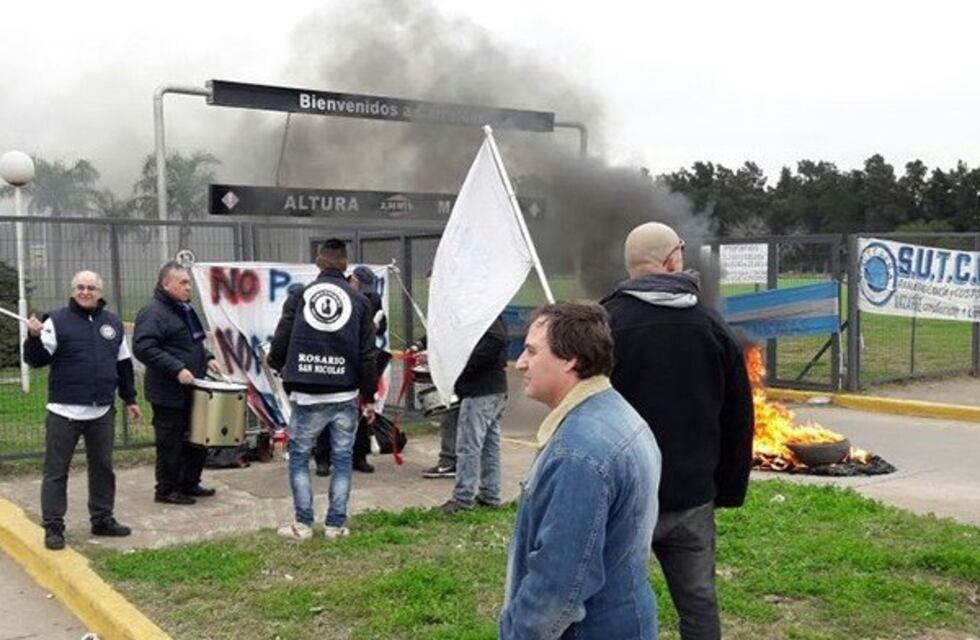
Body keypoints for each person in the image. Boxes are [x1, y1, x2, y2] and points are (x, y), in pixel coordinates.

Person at [602, 222, 754, 640]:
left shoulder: (605, 323)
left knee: (613, 600)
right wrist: (726, 488)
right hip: (691, 497)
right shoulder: (711, 325)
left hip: (623, 496)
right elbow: (738, 417)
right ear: (671, 259)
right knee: (699, 603)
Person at [501, 302, 662, 639]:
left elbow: (556, 589)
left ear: (571, 358)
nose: (520, 363)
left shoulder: (579, 452)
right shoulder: (621, 415)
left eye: (531, 351)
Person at [267, 239, 378, 540]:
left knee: (301, 456)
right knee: (342, 459)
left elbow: (282, 339)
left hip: (306, 395)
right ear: (345, 266)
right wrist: (368, 397)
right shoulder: (360, 302)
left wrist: (276, 363)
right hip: (344, 394)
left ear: (319, 262)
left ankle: (303, 525)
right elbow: (368, 354)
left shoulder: (300, 296)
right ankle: (335, 525)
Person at [22, 270, 142, 550]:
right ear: (72, 290)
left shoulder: (112, 323)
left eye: (91, 287)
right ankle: (53, 527)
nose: (85, 292)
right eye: (80, 287)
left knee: (102, 468)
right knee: (56, 471)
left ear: (100, 292)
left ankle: (102, 519)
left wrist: (130, 398)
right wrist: (33, 337)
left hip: (102, 411)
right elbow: (36, 360)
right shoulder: (56, 321)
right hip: (63, 412)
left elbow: (123, 364)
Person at [134, 262, 222, 506]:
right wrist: (176, 369)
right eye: (182, 282)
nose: (188, 287)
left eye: (189, 282)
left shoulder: (183, 309)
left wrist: (207, 357)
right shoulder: (154, 312)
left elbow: (189, 344)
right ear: (166, 284)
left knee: (196, 437)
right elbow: (143, 347)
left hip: (193, 387)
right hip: (168, 391)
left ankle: (189, 483)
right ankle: (167, 489)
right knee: (170, 442)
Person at [314, 265, 389, 476]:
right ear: (352, 280)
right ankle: (323, 458)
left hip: (363, 358)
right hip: (338, 358)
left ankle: (359, 456)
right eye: (361, 287)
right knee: (328, 408)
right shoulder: (336, 294)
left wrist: (377, 325)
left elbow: (383, 327)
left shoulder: (372, 298)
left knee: (363, 409)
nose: (364, 293)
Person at [433, 314, 508, 514]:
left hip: (480, 390)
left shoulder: (484, 311)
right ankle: (490, 493)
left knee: (469, 445)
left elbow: (497, 340)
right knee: (489, 445)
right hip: (492, 387)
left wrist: (463, 364)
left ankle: (463, 498)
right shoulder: (486, 311)